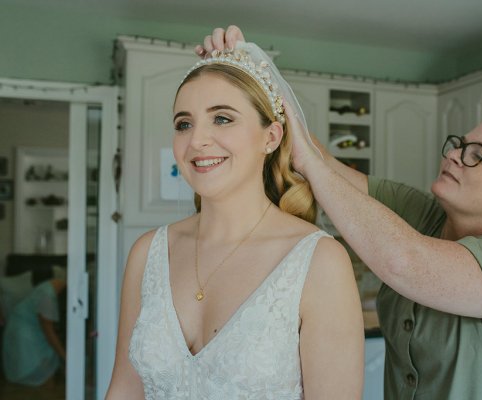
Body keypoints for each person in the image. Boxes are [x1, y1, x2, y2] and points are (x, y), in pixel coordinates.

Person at [198, 26, 482, 400]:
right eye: (459, 144)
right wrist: (256, 69)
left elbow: (405, 262)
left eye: (478, 154)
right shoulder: (424, 212)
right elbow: (323, 166)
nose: (452, 154)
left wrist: (309, 162)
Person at [106, 40, 364, 399]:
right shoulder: (148, 252)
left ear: (271, 137)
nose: (197, 140)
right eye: (184, 124)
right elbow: (124, 390)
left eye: (222, 118)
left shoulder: (319, 261)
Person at [2, 278, 66, 386]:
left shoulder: (49, 286)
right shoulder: (47, 297)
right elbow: (49, 332)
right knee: (40, 373)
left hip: (22, 327)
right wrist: (64, 356)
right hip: (25, 334)